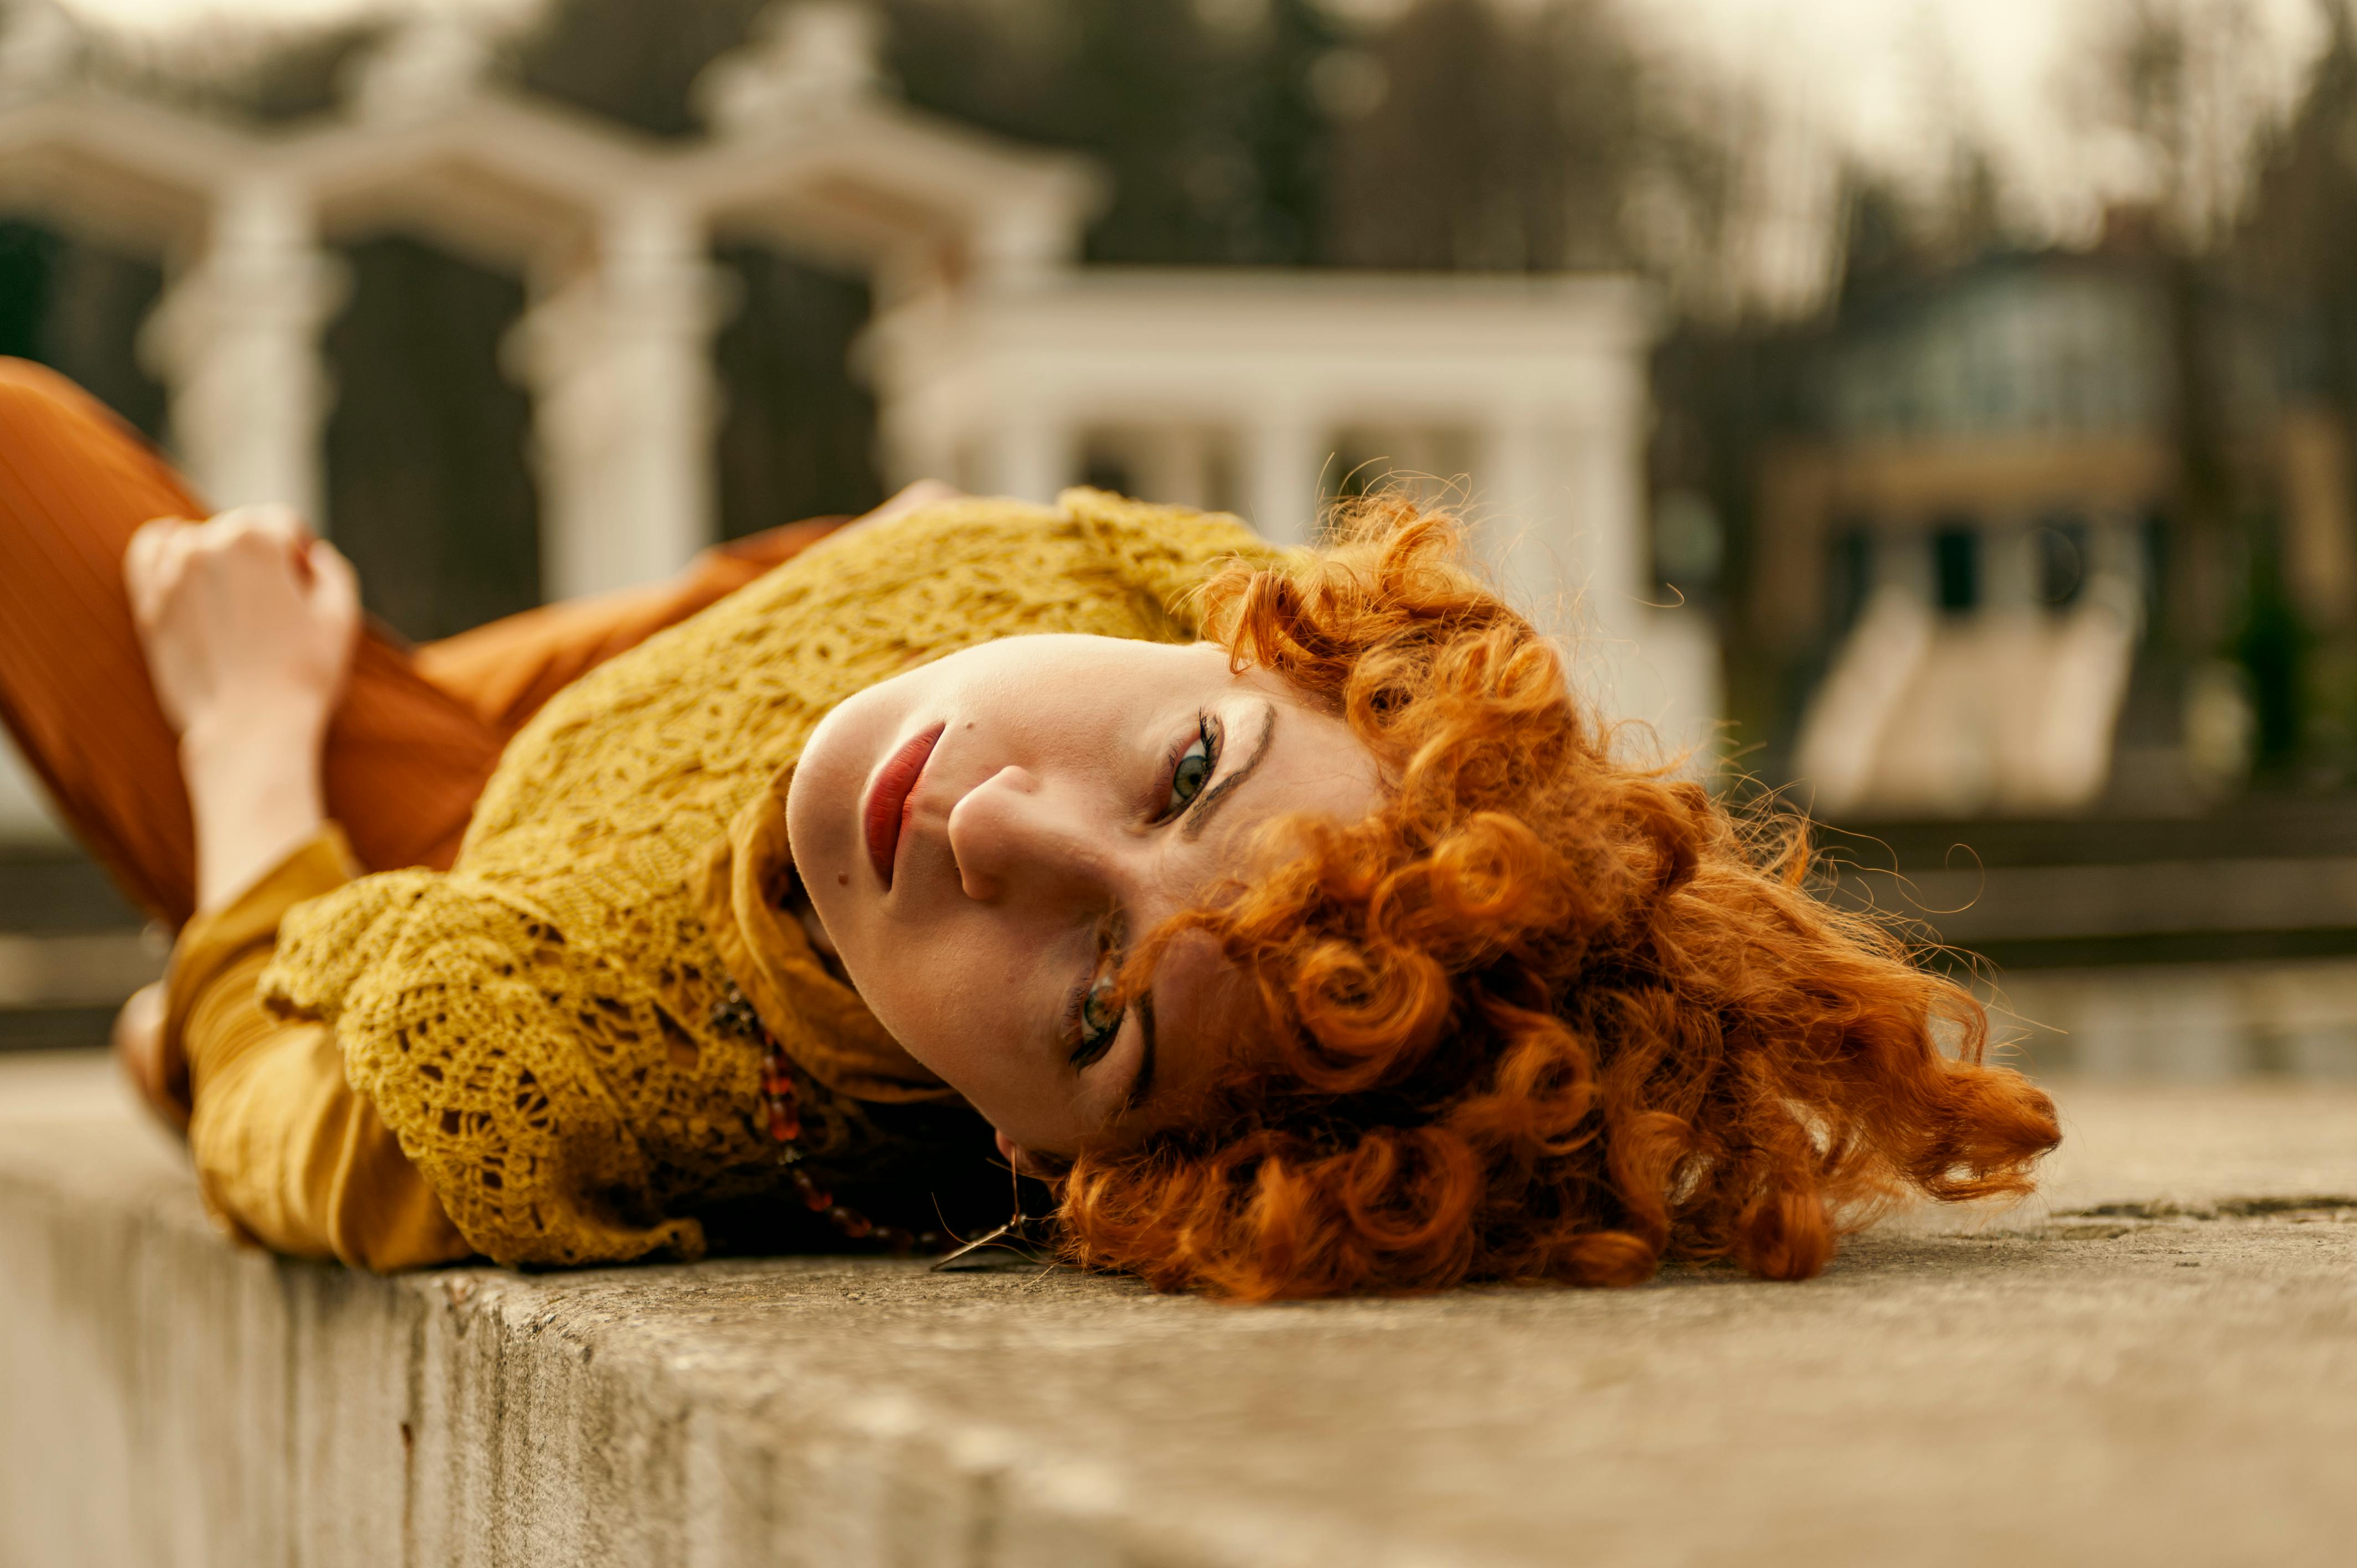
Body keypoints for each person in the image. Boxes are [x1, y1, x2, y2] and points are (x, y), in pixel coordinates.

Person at [0, 358, 2062, 1299]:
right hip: (691, 650)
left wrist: (249, 751)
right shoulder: (1187, 595)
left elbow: (294, 1099)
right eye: (1183, 773)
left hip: (466, 831)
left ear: (1069, 1177)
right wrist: (824, 589)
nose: (991, 829)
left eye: (1096, 1018)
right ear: (1281, 655)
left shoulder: (547, 1070)